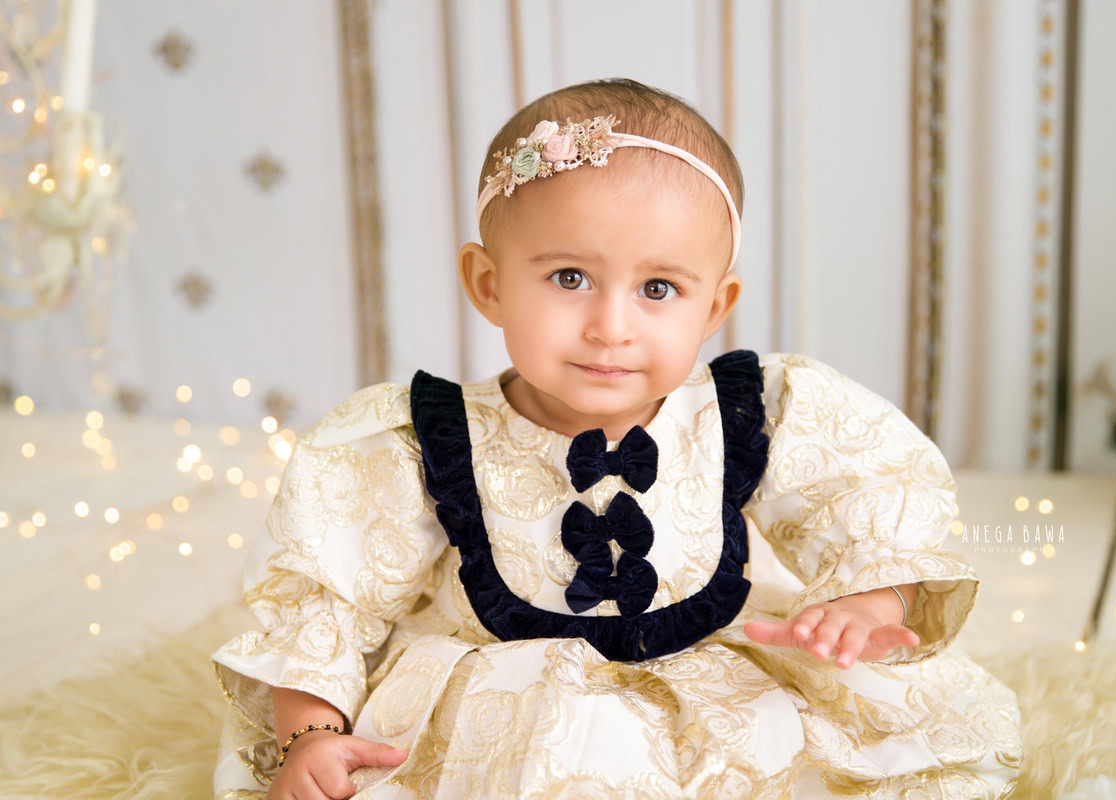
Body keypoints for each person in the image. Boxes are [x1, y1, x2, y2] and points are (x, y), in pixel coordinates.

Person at [210, 78, 1021, 799]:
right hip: (509, 689)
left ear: (714, 307)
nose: (610, 326)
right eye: (569, 278)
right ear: (488, 284)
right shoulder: (420, 438)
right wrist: (310, 735)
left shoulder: (754, 410)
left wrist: (869, 596)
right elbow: (325, 597)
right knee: (554, 753)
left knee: (845, 744)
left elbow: (869, 485)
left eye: (659, 288)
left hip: (713, 669)